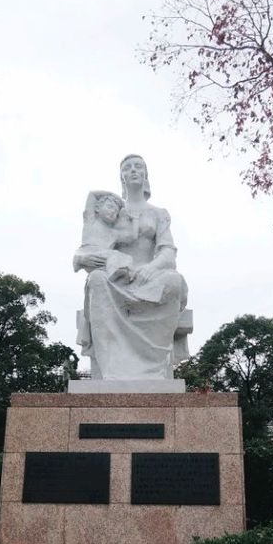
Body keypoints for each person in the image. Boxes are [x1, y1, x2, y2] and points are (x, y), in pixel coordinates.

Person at [74, 154, 188, 380]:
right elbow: (89, 243)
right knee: (96, 280)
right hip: (117, 279)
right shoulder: (111, 209)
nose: (133, 170)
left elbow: (168, 252)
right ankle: (112, 370)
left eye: (138, 167)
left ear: (146, 174)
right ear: (121, 176)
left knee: (174, 281)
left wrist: (152, 268)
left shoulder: (158, 213)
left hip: (150, 277)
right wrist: (82, 258)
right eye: (127, 168)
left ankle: (153, 368)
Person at [73, 191, 137, 282]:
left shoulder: (114, 233)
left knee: (124, 258)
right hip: (87, 253)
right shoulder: (91, 222)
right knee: (117, 256)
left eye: (116, 212)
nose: (112, 212)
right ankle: (115, 273)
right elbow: (92, 194)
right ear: (97, 208)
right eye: (109, 207)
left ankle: (115, 275)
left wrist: (135, 219)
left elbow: (132, 237)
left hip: (102, 261)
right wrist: (118, 199)